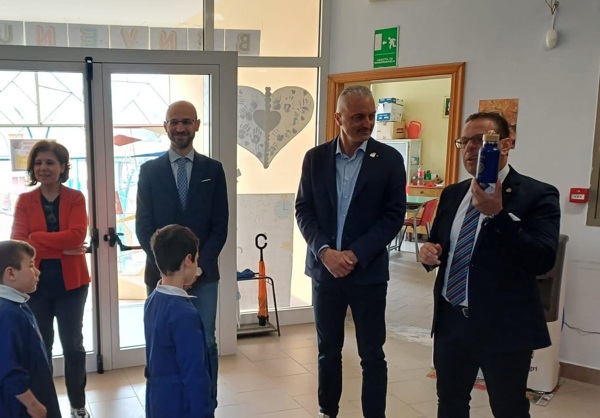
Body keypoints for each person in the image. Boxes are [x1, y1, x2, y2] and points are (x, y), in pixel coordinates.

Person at [419, 112, 560, 418]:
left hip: (504, 327)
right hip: (452, 322)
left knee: (508, 409)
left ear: (505, 145)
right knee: (450, 403)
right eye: (464, 141)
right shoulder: (453, 194)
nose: (470, 148)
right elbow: (439, 244)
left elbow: (542, 259)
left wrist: (498, 215)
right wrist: (428, 254)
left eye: (481, 141)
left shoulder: (538, 194)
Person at [295, 85, 406, 418]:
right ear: (338, 118)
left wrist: (355, 254)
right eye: (358, 117)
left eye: (371, 116)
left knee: (372, 354)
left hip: (367, 273)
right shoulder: (315, 159)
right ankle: (327, 411)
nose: (367, 123)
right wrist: (324, 251)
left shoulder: (389, 160)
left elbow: (393, 216)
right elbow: (303, 209)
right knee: (328, 350)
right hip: (325, 272)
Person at [136, 100, 228, 404]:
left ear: (197, 125)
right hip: (161, 277)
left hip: (204, 274)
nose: (180, 128)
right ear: (165, 126)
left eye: (186, 121)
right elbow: (144, 226)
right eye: (174, 122)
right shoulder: (149, 171)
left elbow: (220, 226)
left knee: (206, 342)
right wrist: (171, 271)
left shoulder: (213, 170)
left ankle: (206, 404)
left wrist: (196, 268)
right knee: (161, 344)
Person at [11, 140, 91, 418]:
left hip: (73, 285)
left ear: (62, 167)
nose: (43, 168)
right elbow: (19, 243)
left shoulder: (76, 198)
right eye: (38, 163)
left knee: (73, 347)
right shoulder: (25, 201)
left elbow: (77, 236)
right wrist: (61, 247)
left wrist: (36, 238)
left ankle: (78, 405)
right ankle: (45, 406)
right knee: (40, 347)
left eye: (49, 162)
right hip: (35, 286)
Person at [144, 224, 214, 418]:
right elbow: (194, 373)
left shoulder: (151, 301)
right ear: (188, 260)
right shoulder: (185, 314)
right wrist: (205, 411)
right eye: (197, 259)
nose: (197, 265)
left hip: (158, 401)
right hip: (182, 405)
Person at [0, 240, 62, 418]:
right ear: (11, 273)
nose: (37, 271)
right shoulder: (7, 314)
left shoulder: (20, 304)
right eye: (30, 265)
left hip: (38, 390)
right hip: (21, 406)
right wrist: (32, 404)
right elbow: (8, 367)